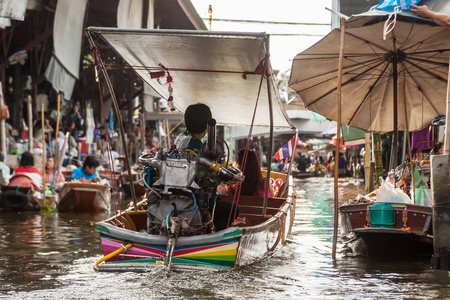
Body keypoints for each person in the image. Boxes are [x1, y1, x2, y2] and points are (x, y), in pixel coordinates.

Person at [175, 103, 237, 230]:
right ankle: (213, 234)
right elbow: (207, 174)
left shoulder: (180, 139)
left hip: (178, 192)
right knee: (232, 209)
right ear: (207, 126)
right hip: (194, 196)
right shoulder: (197, 145)